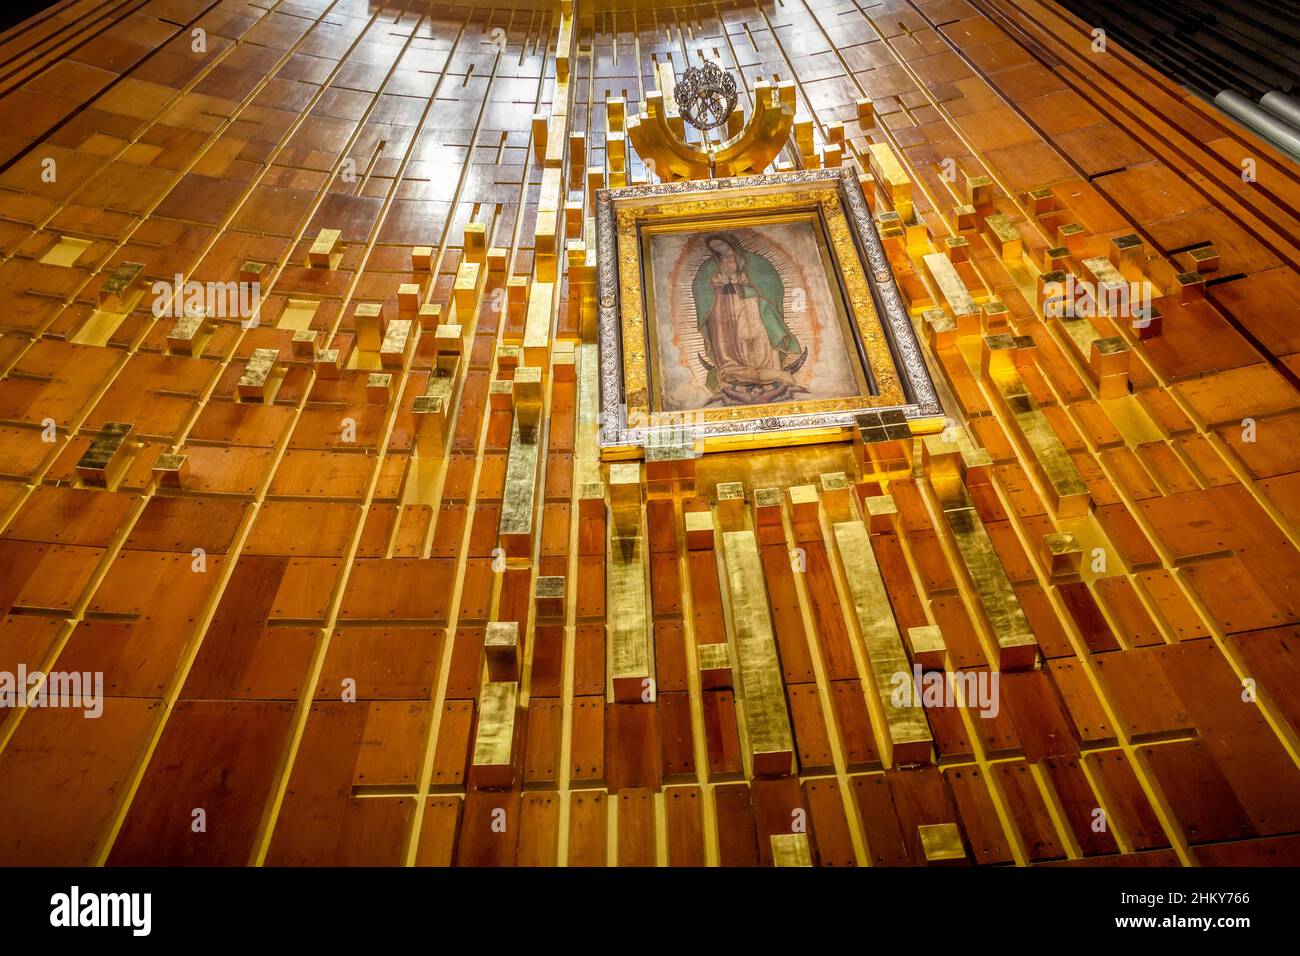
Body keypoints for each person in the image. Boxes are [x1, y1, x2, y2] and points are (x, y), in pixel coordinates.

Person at [692, 233, 803, 404]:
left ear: (730, 243)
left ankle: (768, 369)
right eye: (715, 248)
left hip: (751, 303)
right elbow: (700, 287)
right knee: (728, 339)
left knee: (757, 333)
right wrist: (714, 282)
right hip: (722, 307)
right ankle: (734, 369)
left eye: (721, 245)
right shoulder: (710, 266)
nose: (719, 250)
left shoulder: (754, 262)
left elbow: (771, 283)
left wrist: (743, 279)